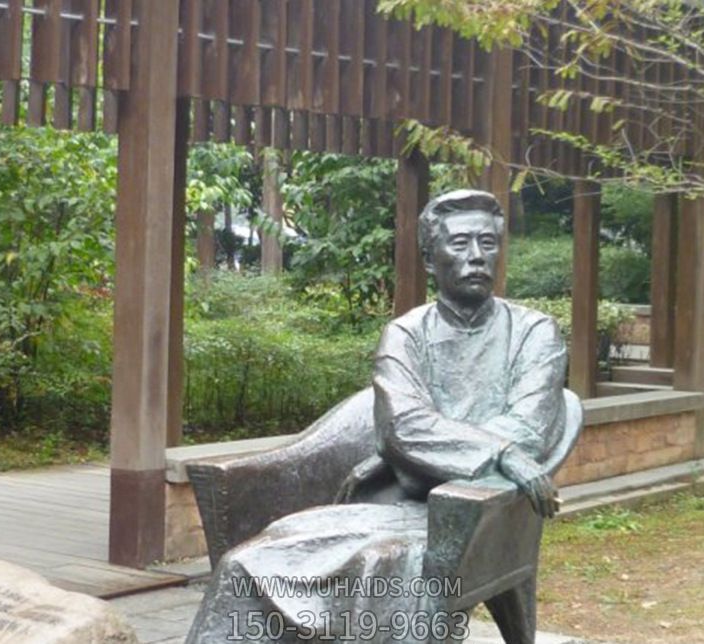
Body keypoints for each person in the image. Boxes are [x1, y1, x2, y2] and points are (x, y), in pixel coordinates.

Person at [186, 190, 567, 644]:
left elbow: (530, 426)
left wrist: (475, 455)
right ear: (430, 260)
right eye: (460, 243)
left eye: (487, 243)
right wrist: (499, 451)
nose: (477, 256)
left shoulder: (534, 333)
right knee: (246, 562)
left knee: (378, 562)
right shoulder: (406, 334)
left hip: (477, 509)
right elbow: (401, 426)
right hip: (391, 503)